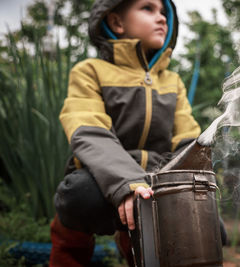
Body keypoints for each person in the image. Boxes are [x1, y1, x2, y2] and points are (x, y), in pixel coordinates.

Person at [49, 0, 201, 266]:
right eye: (148, 8)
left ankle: (135, 248)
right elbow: (90, 132)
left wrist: (194, 192)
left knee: (210, 225)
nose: (162, 18)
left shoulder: (173, 82)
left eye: (164, 12)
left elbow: (187, 144)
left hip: (155, 181)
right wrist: (127, 182)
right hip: (101, 178)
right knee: (79, 195)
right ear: (117, 23)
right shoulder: (90, 71)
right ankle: (69, 252)